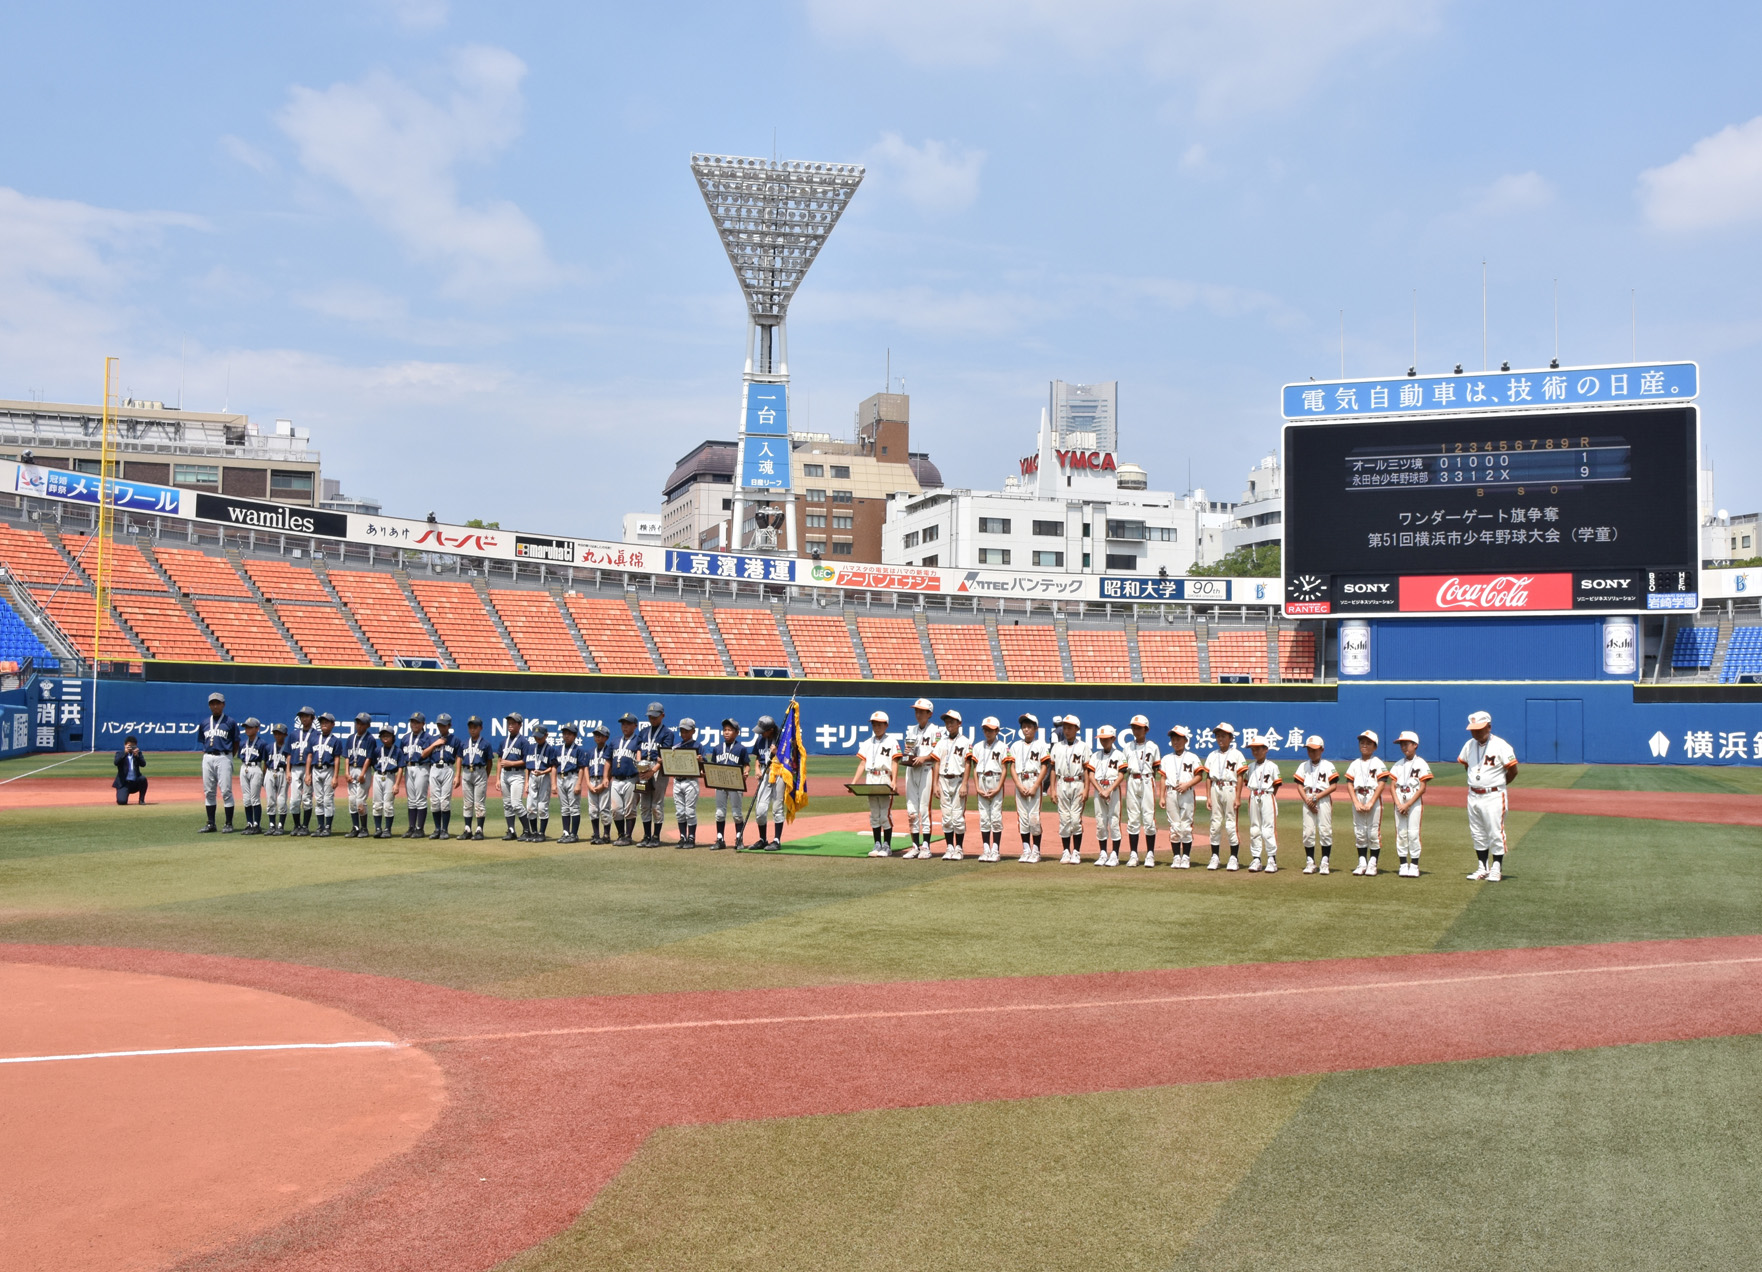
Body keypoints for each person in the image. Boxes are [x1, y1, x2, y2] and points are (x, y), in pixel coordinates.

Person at [1458, 711, 1518, 882]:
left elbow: (1513, 770)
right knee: (1477, 832)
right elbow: (1467, 766)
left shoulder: (1501, 745)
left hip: (1493, 795)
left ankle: (1496, 868)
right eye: (1473, 729)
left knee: (1495, 832)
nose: (1475, 733)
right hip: (1473, 794)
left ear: (1489, 727)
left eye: (1479, 729)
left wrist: (1498, 785)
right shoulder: (1469, 745)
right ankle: (1482, 868)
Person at [901, 698, 944, 858]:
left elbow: (937, 752)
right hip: (911, 770)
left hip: (926, 769)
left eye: (921, 711)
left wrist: (924, 758)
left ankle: (926, 846)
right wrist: (908, 752)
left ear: (929, 714)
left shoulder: (936, 731)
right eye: (916, 711)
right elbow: (909, 750)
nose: (918, 714)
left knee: (924, 808)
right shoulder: (911, 730)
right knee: (911, 809)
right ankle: (915, 846)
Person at [855, 710, 900, 856]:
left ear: (886, 725)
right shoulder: (867, 743)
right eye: (874, 724)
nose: (876, 727)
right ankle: (877, 844)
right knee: (874, 814)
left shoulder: (892, 741)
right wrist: (854, 782)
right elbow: (862, 763)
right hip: (871, 777)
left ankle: (887, 845)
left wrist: (894, 781)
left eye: (880, 724)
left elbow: (894, 762)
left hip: (885, 777)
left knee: (884, 814)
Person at [1006, 712, 1050, 863]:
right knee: (1023, 818)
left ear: (1036, 728)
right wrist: (1018, 785)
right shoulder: (1015, 746)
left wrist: (1036, 785)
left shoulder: (1041, 745)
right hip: (1021, 781)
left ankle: (1036, 850)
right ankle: (1026, 850)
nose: (1026, 729)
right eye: (1024, 726)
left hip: (1034, 780)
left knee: (1034, 817)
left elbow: (1044, 767)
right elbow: (1012, 767)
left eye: (1029, 726)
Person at [1156, 725, 1201, 869]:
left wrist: (1187, 784)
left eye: (1179, 739)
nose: (1176, 742)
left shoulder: (1192, 757)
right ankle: (1176, 857)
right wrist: (1161, 796)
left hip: (1186, 793)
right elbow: (1163, 778)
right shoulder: (1166, 759)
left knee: (1186, 826)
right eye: (1173, 739)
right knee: (1174, 826)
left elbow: (1199, 776)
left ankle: (1186, 857)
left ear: (1186, 740)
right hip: (1171, 792)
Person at [1346, 729, 1390, 876]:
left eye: (1368, 743)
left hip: (1373, 797)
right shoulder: (1354, 764)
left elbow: (1382, 783)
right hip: (1358, 796)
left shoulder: (1378, 763)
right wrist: (1355, 801)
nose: (1364, 745)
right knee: (1359, 832)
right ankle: (1362, 863)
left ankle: (1372, 863)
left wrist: (1371, 802)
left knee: (1373, 832)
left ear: (1375, 746)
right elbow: (1349, 783)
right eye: (1362, 742)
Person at [1294, 735, 1339, 875]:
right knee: (1308, 832)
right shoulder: (1303, 766)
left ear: (1322, 749)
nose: (1311, 752)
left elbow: (1334, 786)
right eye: (1309, 749)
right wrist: (1307, 800)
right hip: (1307, 798)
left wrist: (1317, 797)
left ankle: (1325, 862)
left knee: (1325, 830)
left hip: (1323, 798)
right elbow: (1299, 785)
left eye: (1314, 749)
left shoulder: (1328, 765)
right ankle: (1310, 861)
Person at [1390, 730, 1433, 877]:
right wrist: (1398, 804)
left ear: (1415, 745)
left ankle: (1414, 865)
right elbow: (1392, 786)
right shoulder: (1397, 765)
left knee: (1413, 833)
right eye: (1401, 744)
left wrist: (1407, 805)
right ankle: (1403, 864)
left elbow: (1422, 788)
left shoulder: (1421, 763)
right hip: (1399, 802)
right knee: (1401, 833)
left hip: (1413, 803)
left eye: (1406, 744)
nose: (1403, 747)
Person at [1203, 723, 1245, 870]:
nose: (1220, 739)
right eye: (1218, 736)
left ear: (1231, 738)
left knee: (1231, 824)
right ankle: (1215, 856)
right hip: (1216, 787)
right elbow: (1208, 777)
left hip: (1230, 788)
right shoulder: (1212, 755)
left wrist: (1238, 797)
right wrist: (1208, 797)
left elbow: (1240, 776)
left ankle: (1233, 857)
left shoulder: (1237, 754)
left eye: (1223, 736)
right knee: (1215, 824)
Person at [1121, 714, 1162, 866]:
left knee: (1149, 818)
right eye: (1134, 727)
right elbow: (1123, 768)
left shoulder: (1153, 746)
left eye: (1139, 728)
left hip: (1147, 779)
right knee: (1132, 819)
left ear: (1146, 729)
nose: (1136, 730)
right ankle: (1133, 854)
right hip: (1132, 779)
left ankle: (1150, 854)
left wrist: (1150, 780)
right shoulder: (1127, 747)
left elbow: (1156, 768)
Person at [197, 691, 240, 834]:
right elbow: (203, 740)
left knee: (226, 791)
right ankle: (211, 823)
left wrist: (229, 756)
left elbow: (236, 742)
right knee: (209, 791)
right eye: (212, 703)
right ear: (209, 706)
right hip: (208, 757)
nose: (215, 706)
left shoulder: (230, 722)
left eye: (218, 703)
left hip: (224, 756)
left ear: (223, 705)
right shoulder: (204, 723)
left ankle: (228, 823)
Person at [634, 702, 676, 847]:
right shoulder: (644, 732)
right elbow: (639, 749)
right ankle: (646, 835)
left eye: (655, 716)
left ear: (662, 716)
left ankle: (656, 836)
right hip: (644, 767)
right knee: (644, 804)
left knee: (656, 804)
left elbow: (665, 755)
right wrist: (640, 766)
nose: (652, 719)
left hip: (659, 769)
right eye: (650, 716)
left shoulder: (667, 733)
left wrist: (653, 770)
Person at [1050, 715, 1091, 863]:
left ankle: (1076, 852)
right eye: (1065, 727)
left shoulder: (1083, 746)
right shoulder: (1057, 746)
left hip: (1077, 783)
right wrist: (1052, 789)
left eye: (1070, 727)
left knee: (1075, 819)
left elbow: (1086, 770)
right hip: (1062, 783)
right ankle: (1066, 851)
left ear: (1077, 729)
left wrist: (1086, 789)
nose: (1067, 730)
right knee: (1064, 819)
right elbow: (1053, 769)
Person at [703, 718, 748, 850]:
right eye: (725, 730)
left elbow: (746, 765)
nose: (726, 732)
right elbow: (713, 765)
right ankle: (720, 839)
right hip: (720, 783)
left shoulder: (741, 748)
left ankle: (739, 839)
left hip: (735, 783)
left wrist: (746, 772)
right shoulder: (717, 748)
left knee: (737, 813)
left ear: (737, 732)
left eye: (730, 730)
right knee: (719, 813)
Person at [934, 708, 974, 860]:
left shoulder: (965, 742)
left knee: (957, 816)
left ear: (959, 723)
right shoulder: (941, 742)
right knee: (946, 816)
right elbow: (937, 763)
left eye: (952, 721)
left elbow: (968, 763)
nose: (949, 724)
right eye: (947, 721)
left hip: (958, 779)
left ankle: (959, 848)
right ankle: (949, 847)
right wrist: (935, 784)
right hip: (943, 779)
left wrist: (964, 783)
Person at [1088, 725, 1128, 867]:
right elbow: (1091, 775)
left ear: (1113, 739)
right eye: (1101, 739)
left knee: (1114, 821)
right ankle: (1103, 853)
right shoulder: (1095, 756)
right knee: (1100, 822)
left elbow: (1121, 775)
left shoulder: (1119, 755)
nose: (1103, 741)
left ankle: (1115, 854)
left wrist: (1109, 790)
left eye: (1106, 739)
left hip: (1113, 789)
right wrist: (1100, 790)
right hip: (1099, 789)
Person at [1243, 732, 1283, 873]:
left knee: (1268, 829)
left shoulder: (1272, 766)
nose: (1255, 751)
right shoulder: (1250, 767)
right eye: (1253, 749)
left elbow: (1276, 784)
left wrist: (1269, 796)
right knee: (1254, 828)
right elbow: (1247, 782)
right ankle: (1256, 859)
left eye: (1258, 748)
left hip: (1267, 796)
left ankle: (1271, 859)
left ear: (1266, 749)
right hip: (1254, 796)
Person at [970, 716, 1009, 862]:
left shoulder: (1002, 747)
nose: (988, 732)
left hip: (995, 779)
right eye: (985, 729)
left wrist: (999, 787)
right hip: (982, 780)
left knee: (996, 817)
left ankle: (995, 850)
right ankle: (986, 849)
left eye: (991, 730)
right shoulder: (977, 747)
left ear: (997, 731)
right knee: (984, 817)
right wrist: (977, 787)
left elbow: (1004, 769)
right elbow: (975, 768)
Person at [749, 714, 786, 850]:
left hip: (779, 772)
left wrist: (778, 753)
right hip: (764, 772)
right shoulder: (760, 740)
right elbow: (758, 757)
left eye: (763, 731)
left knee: (777, 807)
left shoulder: (782, 738)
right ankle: (763, 839)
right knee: (760, 810)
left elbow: (790, 759)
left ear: (771, 730)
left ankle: (776, 840)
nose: (760, 733)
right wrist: (757, 768)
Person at [424, 713, 461, 840]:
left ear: (449, 725)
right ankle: (437, 829)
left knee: (445, 801)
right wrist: (435, 744)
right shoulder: (432, 739)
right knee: (434, 800)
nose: (441, 727)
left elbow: (458, 757)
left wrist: (457, 775)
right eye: (439, 725)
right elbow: (423, 754)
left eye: (444, 725)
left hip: (447, 768)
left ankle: (444, 829)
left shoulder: (455, 740)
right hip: (434, 768)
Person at [607, 712, 642, 845]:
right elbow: (608, 760)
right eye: (623, 724)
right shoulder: (615, 741)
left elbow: (639, 759)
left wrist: (640, 778)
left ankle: (628, 836)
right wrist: (606, 777)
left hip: (631, 778)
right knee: (616, 809)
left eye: (628, 724)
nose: (625, 726)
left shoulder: (638, 740)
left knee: (630, 809)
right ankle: (621, 834)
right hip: (616, 780)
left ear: (635, 726)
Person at [498, 711, 532, 841]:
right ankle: (511, 830)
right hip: (504, 774)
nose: (510, 725)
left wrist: (511, 763)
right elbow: (500, 760)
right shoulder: (504, 742)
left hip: (517, 774)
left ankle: (527, 830)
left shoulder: (523, 742)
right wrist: (497, 778)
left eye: (513, 723)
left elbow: (526, 761)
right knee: (507, 804)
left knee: (516, 804)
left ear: (520, 725)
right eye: (509, 723)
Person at [306, 710, 341, 837]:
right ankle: (320, 826)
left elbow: (337, 759)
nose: (324, 724)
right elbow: (310, 756)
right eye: (322, 722)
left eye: (327, 722)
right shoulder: (314, 738)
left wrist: (335, 777)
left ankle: (328, 827)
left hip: (328, 770)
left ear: (333, 724)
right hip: (315, 770)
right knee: (319, 799)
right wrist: (307, 773)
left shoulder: (335, 740)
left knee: (328, 799)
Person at [342, 712, 377, 839]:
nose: (359, 725)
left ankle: (364, 828)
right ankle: (355, 827)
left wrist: (362, 774)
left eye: (362, 723)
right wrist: (346, 772)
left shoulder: (370, 739)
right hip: (352, 769)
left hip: (363, 770)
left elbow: (369, 758)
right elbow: (347, 757)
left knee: (360, 801)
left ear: (368, 725)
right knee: (352, 800)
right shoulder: (351, 738)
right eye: (358, 722)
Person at [551, 723, 587, 844]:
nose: (566, 736)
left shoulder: (578, 750)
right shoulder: (558, 749)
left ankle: (574, 834)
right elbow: (554, 767)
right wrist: (553, 784)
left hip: (573, 777)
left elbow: (581, 768)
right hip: (560, 778)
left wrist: (579, 784)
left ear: (575, 736)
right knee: (564, 808)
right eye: (564, 733)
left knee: (574, 808)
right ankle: (566, 832)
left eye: (569, 734)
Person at [457, 715, 491, 841]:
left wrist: (485, 775)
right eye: (470, 727)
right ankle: (467, 829)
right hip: (466, 772)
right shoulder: (464, 743)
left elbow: (489, 762)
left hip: (479, 771)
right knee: (467, 803)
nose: (472, 729)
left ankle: (479, 830)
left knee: (479, 803)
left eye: (475, 727)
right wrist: (457, 775)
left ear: (480, 728)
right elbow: (459, 758)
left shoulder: (485, 744)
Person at [670, 718, 702, 848]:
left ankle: (691, 837)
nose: (684, 733)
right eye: (682, 731)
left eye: (687, 731)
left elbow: (704, 766)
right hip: (677, 781)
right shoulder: (676, 747)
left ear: (693, 731)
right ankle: (682, 837)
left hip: (690, 781)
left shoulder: (697, 746)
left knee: (689, 811)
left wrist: (700, 760)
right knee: (680, 812)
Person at [401, 711, 434, 839]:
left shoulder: (427, 738)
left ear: (423, 724)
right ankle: (411, 827)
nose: (414, 724)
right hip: (409, 768)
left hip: (422, 767)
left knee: (420, 798)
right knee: (411, 800)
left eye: (417, 722)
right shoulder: (405, 738)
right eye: (412, 722)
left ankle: (420, 828)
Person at [288, 705, 318, 836]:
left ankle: (305, 826)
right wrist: (287, 771)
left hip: (309, 769)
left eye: (306, 716)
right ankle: (296, 825)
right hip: (295, 768)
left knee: (307, 798)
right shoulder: (294, 734)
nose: (304, 719)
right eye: (301, 716)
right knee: (294, 799)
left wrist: (309, 773)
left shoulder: (316, 735)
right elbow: (289, 754)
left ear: (313, 718)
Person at [525, 724, 558, 842]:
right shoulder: (530, 748)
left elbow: (553, 766)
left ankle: (541, 833)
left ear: (546, 735)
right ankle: (534, 832)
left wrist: (543, 772)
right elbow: (527, 767)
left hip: (544, 777)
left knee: (542, 806)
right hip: (532, 777)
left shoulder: (550, 749)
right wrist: (526, 783)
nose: (537, 739)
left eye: (540, 737)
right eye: (535, 737)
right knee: (530, 807)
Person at [237, 718, 268, 834]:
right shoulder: (242, 743)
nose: (247, 729)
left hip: (256, 768)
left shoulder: (262, 743)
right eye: (246, 727)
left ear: (257, 729)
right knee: (246, 798)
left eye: (250, 727)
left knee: (255, 798)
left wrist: (264, 775)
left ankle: (256, 825)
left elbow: (265, 761)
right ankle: (249, 823)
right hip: (244, 767)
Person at [370, 725, 402, 838]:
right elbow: (373, 763)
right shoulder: (378, 750)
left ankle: (387, 829)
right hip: (378, 775)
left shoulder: (397, 751)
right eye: (383, 735)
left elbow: (400, 768)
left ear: (393, 737)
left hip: (390, 777)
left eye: (388, 735)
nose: (385, 737)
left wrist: (397, 784)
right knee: (377, 804)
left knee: (388, 805)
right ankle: (378, 828)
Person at [584, 723, 613, 844]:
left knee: (605, 809)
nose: (597, 737)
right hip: (592, 781)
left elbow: (611, 769)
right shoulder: (590, 752)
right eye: (596, 735)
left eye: (600, 735)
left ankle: (606, 834)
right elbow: (586, 767)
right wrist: (588, 783)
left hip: (604, 781)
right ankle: (596, 834)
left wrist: (604, 783)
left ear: (606, 737)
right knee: (593, 810)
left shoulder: (609, 751)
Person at [264, 723, 293, 836]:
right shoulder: (269, 747)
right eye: (275, 733)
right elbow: (265, 763)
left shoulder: (288, 748)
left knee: (281, 799)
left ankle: (280, 825)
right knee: (270, 800)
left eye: (280, 733)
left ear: (285, 735)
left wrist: (288, 773)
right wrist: (264, 776)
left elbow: (289, 763)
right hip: (270, 772)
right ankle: (272, 825)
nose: (277, 735)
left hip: (282, 772)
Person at [113, 735, 148, 805]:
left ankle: (141, 800)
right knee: (122, 802)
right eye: (129, 746)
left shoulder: (138, 754)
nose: (131, 748)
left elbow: (143, 764)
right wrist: (125, 753)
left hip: (135, 782)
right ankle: (124, 793)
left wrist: (137, 756)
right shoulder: (119, 753)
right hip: (124, 783)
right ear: (125, 745)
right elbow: (116, 762)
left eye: (133, 746)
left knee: (143, 779)